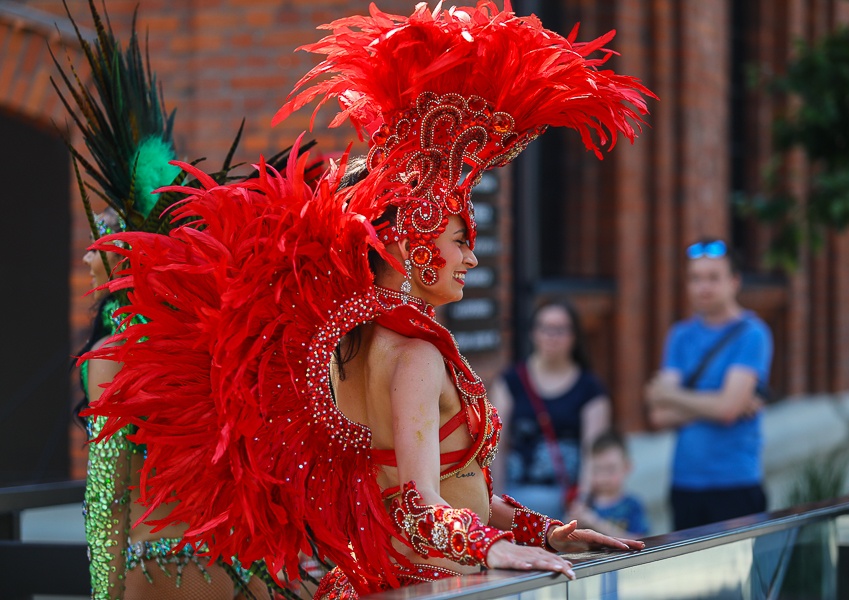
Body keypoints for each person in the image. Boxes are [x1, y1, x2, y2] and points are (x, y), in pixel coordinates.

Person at [83, 3, 656, 598]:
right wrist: (496, 546)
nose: (471, 258)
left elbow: (462, 491)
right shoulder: (411, 354)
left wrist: (550, 533)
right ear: (413, 238)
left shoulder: (365, 344)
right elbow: (417, 504)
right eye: (461, 239)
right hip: (429, 583)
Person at [59, 3, 276, 598]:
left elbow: (108, 499)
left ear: (129, 259)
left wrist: (106, 594)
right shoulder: (228, 338)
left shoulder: (111, 356)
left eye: (102, 240)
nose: (86, 258)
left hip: (162, 578)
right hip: (246, 573)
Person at [645, 238, 773, 531]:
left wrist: (672, 396)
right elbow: (659, 416)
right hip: (684, 483)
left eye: (713, 278)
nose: (704, 287)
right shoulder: (679, 335)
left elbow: (726, 410)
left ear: (734, 281)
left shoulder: (752, 334)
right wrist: (721, 403)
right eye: (695, 278)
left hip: (735, 483)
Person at [491, 300, 612, 520]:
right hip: (515, 498)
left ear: (574, 336)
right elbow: (495, 447)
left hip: (566, 503)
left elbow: (592, 451)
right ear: (533, 333)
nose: (551, 336)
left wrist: (581, 502)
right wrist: (494, 501)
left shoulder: (590, 389)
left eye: (560, 329)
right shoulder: (510, 382)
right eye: (545, 328)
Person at [566, 431, 649, 539]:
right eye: (597, 470)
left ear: (627, 467)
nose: (603, 477)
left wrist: (596, 523)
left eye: (610, 469)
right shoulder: (585, 503)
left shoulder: (633, 505)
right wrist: (570, 523)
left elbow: (641, 541)